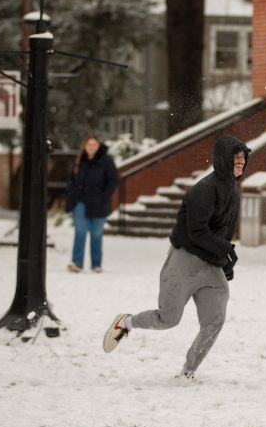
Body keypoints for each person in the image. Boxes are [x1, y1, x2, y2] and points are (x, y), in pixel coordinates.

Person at [102, 134, 251, 379]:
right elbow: (197, 233)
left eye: (243, 158)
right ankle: (126, 323)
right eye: (235, 158)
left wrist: (225, 261)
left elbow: (224, 232)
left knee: (215, 320)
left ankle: (188, 371)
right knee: (168, 319)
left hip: (210, 264)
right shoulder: (203, 191)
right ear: (222, 160)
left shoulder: (233, 192)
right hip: (185, 260)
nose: (240, 162)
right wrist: (225, 249)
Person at [66, 135, 119, 273]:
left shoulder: (106, 161)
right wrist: (73, 195)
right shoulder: (79, 161)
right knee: (80, 232)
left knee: (96, 234)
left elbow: (113, 180)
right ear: (85, 146)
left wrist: (104, 196)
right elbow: (71, 181)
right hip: (80, 202)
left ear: (98, 146)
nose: (91, 147)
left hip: (99, 203)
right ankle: (77, 263)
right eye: (89, 144)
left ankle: (96, 264)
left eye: (94, 144)